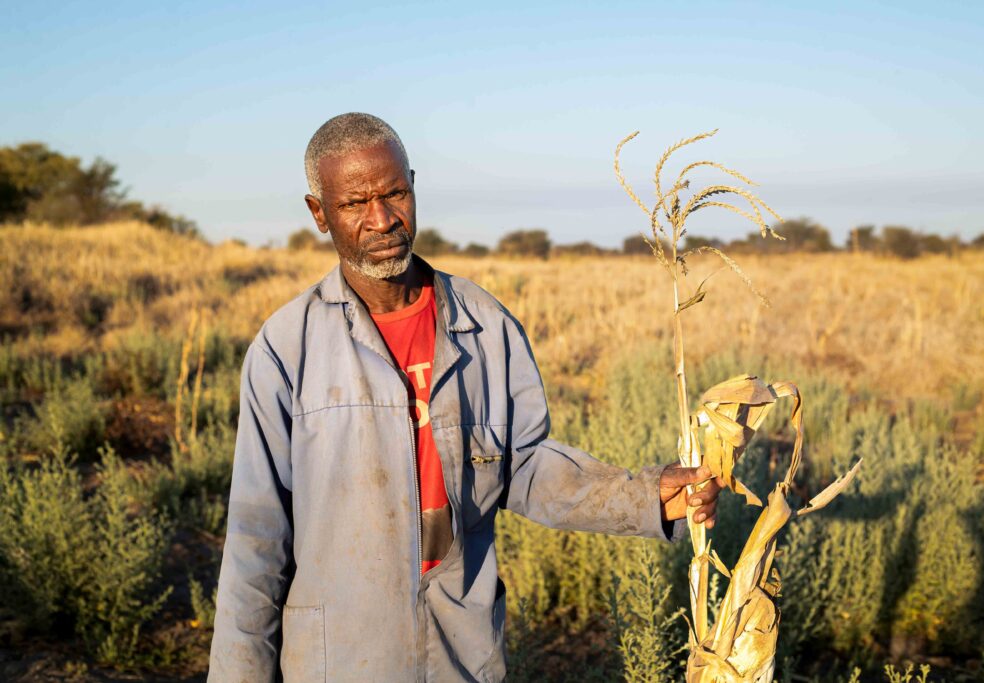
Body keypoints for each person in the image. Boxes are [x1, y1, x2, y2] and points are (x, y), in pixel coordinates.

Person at [208, 113, 723, 682]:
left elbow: (524, 468)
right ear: (319, 214)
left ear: (413, 185)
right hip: (339, 658)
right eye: (355, 203)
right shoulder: (286, 349)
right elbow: (257, 540)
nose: (382, 218)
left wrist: (646, 498)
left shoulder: (486, 325)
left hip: (462, 652)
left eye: (394, 193)